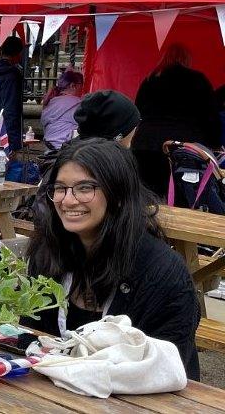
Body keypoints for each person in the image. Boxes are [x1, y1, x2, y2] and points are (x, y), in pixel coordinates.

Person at [23, 139, 200, 380]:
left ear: (117, 194)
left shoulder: (162, 272)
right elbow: (30, 337)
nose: (68, 200)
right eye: (60, 188)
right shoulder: (48, 253)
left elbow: (165, 367)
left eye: (85, 188)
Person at [132, 45, 221, 198]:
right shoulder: (197, 79)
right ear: (186, 60)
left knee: (149, 195)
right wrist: (214, 143)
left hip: (147, 143)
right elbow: (210, 115)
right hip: (185, 145)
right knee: (183, 196)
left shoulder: (150, 79)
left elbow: (137, 111)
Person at [41, 70, 84, 149]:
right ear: (72, 86)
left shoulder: (51, 102)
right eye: (82, 85)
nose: (83, 89)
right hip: (65, 149)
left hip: (49, 146)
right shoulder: (75, 102)